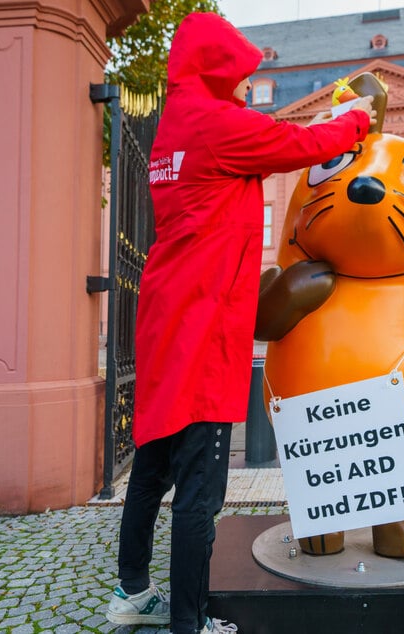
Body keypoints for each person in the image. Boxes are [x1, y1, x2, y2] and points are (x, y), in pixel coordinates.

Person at [105, 12, 377, 634]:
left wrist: (308, 125)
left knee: (152, 464)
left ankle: (131, 591)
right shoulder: (217, 123)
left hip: (165, 314)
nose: (246, 82)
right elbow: (301, 147)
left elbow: (267, 138)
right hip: (203, 320)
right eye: (239, 72)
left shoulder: (179, 120)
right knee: (202, 483)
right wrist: (355, 119)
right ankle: (190, 621)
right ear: (217, 67)